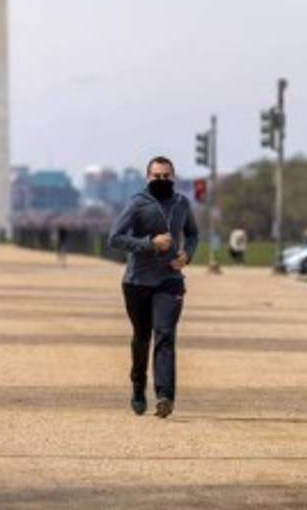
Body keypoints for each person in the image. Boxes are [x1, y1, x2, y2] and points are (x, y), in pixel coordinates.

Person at [107, 155, 199, 419]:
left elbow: (193, 233)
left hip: (170, 282)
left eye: (166, 176)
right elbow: (115, 239)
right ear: (148, 178)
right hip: (137, 282)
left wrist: (187, 255)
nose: (162, 180)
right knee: (142, 337)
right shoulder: (137, 204)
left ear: (173, 177)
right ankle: (138, 383)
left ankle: (164, 395)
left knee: (165, 334)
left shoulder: (182, 203)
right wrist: (149, 244)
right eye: (156, 176)